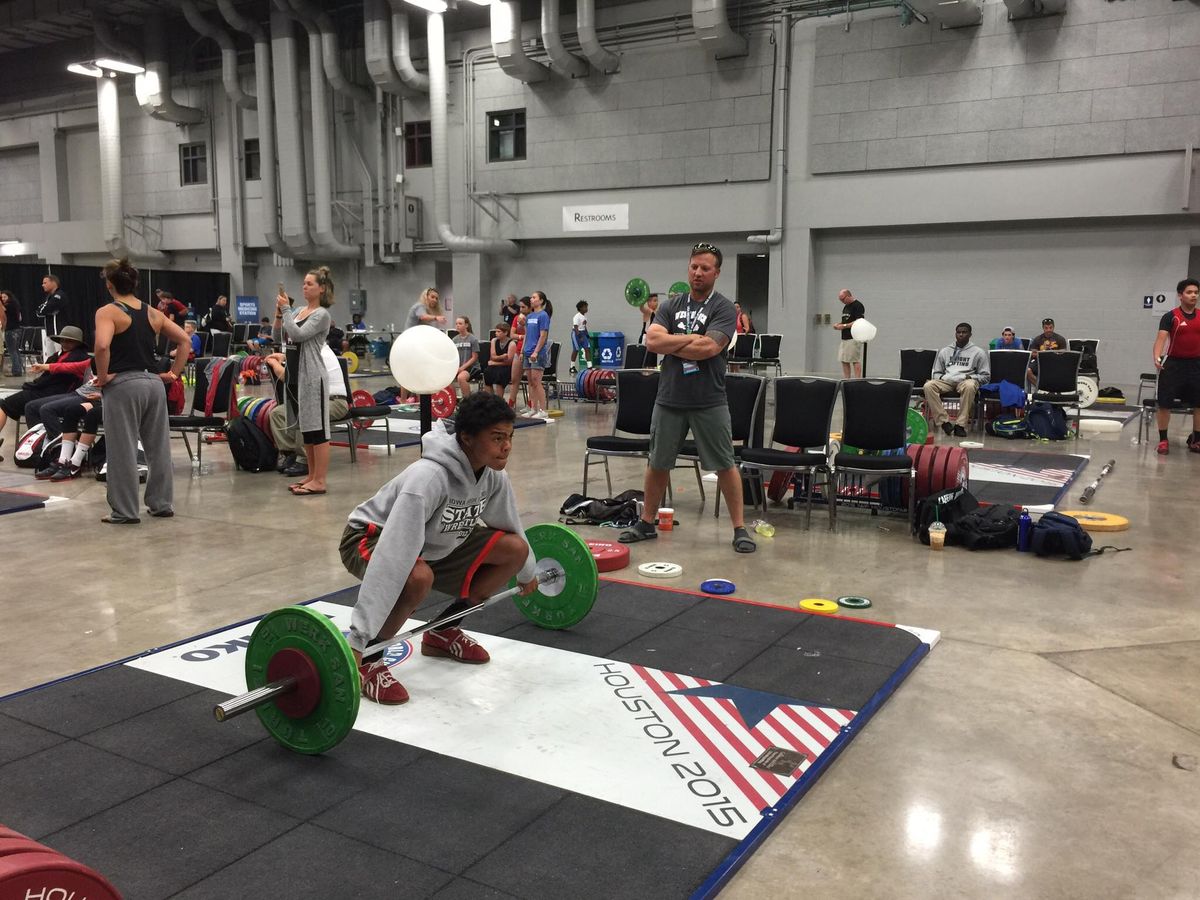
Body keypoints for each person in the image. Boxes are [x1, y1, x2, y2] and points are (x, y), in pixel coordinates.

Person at [338, 392, 539, 704]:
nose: (507, 446)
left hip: (434, 542)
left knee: (514, 551)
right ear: (467, 438)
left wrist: (528, 573)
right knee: (418, 578)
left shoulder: (493, 476)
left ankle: (443, 631)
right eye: (497, 437)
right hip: (369, 537)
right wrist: (358, 638)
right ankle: (368, 659)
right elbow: (394, 555)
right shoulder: (428, 478)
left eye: (510, 436)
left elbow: (512, 525)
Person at [619, 241, 755, 554]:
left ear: (716, 273)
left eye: (705, 268)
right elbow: (652, 341)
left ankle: (739, 528)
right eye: (694, 266)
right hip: (669, 398)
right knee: (658, 463)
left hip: (709, 399)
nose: (697, 272)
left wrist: (673, 343)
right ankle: (646, 522)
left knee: (725, 464)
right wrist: (690, 339)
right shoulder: (671, 304)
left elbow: (710, 348)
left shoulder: (722, 307)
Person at [92, 259, 189, 524]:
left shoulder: (108, 312)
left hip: (124, 385)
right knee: (158, 448)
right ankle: (161, 504)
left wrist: (102, 377)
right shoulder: (153, 313)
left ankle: (124, 511)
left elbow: (102, 346)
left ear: (110, 285)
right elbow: (185, 340)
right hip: (153, 384)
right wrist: (173, 374)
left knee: (122, 449)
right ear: (134, 283)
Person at [274, 268, 335, 496]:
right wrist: (280, 314)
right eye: (303, 283)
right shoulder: (298, 311)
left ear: (321, 288)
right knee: (307, 430)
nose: (304, 286)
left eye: (310, 283)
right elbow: (279, 335)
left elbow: (298, 335)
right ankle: (311, 476)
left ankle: (320, 480)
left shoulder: (321, 315)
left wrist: (286, 310)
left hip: (312, 377)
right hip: (295, 375)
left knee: (318, 431)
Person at [0, 325, 89, 460]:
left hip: (55, 393)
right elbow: (46, 378)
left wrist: (36, 380)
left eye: (69, 341)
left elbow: (64, 370)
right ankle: (40, 444)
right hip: (45, 390)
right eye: (63, 340)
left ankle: (43, 444)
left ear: (77, 343)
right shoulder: (58, 355)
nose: (65, 343)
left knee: (5, 404)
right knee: (21, 404)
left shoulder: (79, 356)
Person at [264, 343, 349, 476]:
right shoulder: (311, 350)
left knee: (304, 413)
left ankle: (304, 461)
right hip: (316, 400)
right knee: (277, 414)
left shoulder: (318, 353)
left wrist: (274, 363)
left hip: (335, 402)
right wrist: (284, 356)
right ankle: (290, 453)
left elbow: (288, 377)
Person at [1152, 277, 1200, 455]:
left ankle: (1196, 440)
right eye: (1189, 292)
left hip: (1196, 365)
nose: (1193, 295)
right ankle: (1163, 440)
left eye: (1196, 292)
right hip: (1173, 365)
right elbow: (1161, 339)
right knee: (1165, 403)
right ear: (1181, 295)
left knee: (1199, 404)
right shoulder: (1171, 316)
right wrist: (1156, 356)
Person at [924, 322, 991, 438]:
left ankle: (960, 425)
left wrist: (970, 377)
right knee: (928, 386)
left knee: (970, 386)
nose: (961, 335)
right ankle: (944, 422)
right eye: (958, 332)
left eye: (964, 332)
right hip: (947, 381)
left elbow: (985, 376)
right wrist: (943, 378)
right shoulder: (945, 351)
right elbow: (936, 373)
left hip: (966, 381)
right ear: (955, 334)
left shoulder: (978, 352)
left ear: (970, 334)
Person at [521, 291, 552, 420]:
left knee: (536, 381)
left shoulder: (543, 315)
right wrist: (523, 350)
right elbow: (527, 335)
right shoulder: (529, 316)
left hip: (537, 353)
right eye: (531, 297)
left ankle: (543, 410)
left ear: (541, 301)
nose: (531, 299)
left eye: (534, 297)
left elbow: (543, 335)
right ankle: (533, 408)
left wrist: (536, 351)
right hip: (527, 351)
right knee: (530, 382)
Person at [834, 288, 865, 379]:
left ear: (848, 296)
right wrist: (839, 324)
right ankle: (846, 380)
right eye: (840, 300)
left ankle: (857, 380)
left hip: (853, 337)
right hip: (845, 337)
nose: (842, 301)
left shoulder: (858, 305)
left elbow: (859, 321)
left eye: (843, 299)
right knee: (844, 360)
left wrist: (843, 326)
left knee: (854, 360)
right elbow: (847, 320)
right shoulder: (846, 307)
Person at [1027, 317, 1067, 387]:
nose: (1048, 330)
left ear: (1053, 327)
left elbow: (1064, 353)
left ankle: (1055, 389)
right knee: (1028, 371)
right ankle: (1041, 387)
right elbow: (1032, 353)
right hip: (1040, 362)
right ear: (1043, 328)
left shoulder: (1060, 339)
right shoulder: (1038, 339)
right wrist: (1043, 353)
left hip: (1055, 362)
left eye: (1050, 327)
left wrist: (1052, 354)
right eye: (1046, 328)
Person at [38, 274, 69, 362]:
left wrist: (45, 310)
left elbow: (47, 308)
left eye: (45, 283)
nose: (43, 285)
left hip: (58, 332)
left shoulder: (59, 296)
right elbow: (40, 311)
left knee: (60, 356)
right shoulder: (49, 297)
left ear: (53, 283)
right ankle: (51, 374)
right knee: (51, 358)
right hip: (50, 332)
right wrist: (46, 311)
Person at [506, 297, 529, 411]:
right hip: (518, 351)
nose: (521, 309)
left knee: (531, 381)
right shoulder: (516, 318)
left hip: (529, 351)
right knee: (515, 379)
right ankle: (511, 404)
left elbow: (534, 335)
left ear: (529, 308)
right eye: (520, 306)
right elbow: (512, 334)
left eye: (523, 307)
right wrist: (522, 337)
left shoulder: (532, 319)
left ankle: (531, 405)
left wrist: (525, 328)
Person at [483, 322, 515, 397]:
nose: (496, 333)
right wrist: (502, 357)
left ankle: (499, 399)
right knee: (487, 372)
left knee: (500, 374)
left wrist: (495, 362)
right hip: (496, 365)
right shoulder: (494, 341)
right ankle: (490, 398)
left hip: (506, 367)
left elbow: (509, 362)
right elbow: (493, 356)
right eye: (496, 331)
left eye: (498, 332)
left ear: (506, 332)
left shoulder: (512, 343)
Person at [452, 316, 480, 399]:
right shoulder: (454, 340)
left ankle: (467, 400)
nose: (457, 325)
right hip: (459, 367)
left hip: (471, 367)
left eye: (460, 323)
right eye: (456, 324)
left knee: (461, 378)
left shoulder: (473, 339)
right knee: (446, 379)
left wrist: (462, 368)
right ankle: (454, 400)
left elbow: (474, 357)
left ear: (466, 325)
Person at [1, 289, 22, 376]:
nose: (3, 299)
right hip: (17, 329)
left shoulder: (9, 306)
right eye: (2, 297)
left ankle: (16, 371)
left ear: (9, 297)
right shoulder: (15, 305)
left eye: (5, 297)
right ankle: (18, 369)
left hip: (10, 330)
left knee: (12, 351)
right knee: (16, 351)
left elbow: (2, 310)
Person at [570, 301, 590, 374]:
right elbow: (576, 327)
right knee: (576, 350)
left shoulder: (585, 317)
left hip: (583, 333)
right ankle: (572, 367)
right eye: (585, 307)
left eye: (587, 307)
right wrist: (579, 336)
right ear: (581, 308)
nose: (587, 308)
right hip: (576, 333)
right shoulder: (576, 316)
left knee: (587, 349)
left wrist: (587, 335)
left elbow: (584, 327)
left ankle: (589, 366)